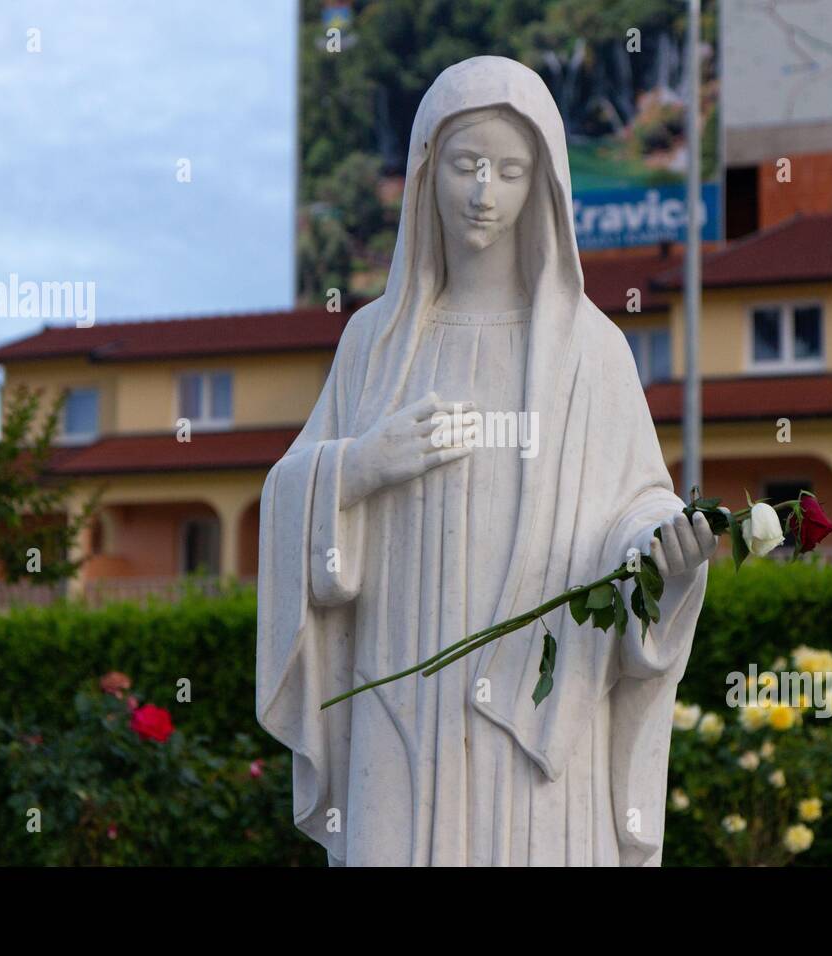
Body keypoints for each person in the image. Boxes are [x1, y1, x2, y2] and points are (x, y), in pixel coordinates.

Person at [257, 56, 714, 866]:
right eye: (466, 165)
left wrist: (661, 555)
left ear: (542, 184)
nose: (484, 192)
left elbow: (637, 504)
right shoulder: (377, 341)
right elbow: (292, 498)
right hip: (401, 694)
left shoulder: (591, 352)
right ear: (429, 171)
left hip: (539, 705)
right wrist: (359, 467)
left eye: (510, 170)